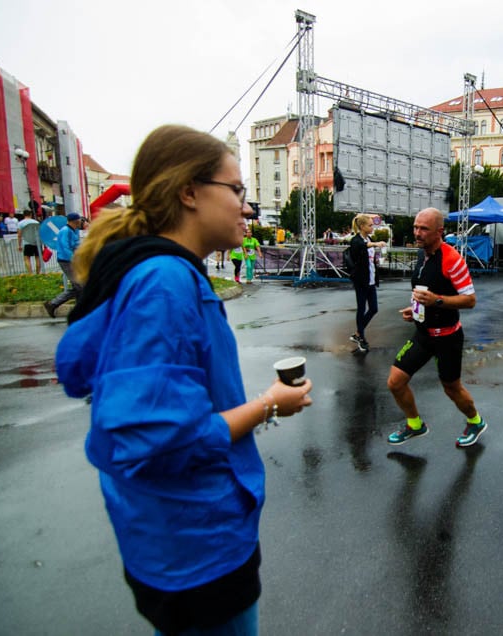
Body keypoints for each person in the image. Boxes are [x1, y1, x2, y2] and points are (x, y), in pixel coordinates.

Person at [54, 124, 313, 635]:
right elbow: (163, 438)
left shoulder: (154, 273)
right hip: (198, 546)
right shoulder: (165, 283)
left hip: (169, 539)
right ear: (189, 192)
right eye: (236, 189)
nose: (246, 206)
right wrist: (268, 405)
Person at [386, 207, 486, 449]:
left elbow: (470, 300)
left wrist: (437, 301)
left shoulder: (452, 260)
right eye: (415, 227)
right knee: (395, 382)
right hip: (423, 334)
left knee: (452, 388)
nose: (417, 233)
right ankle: (415, 425)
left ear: (439, 231)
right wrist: (416, 310)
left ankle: (475, 421)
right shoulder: (422, 254)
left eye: (424, 229)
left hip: (448, 338)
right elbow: (424, 291)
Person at [348, 213, 385, 353]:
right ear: (362, 226)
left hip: (370, 280)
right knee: (361, 308)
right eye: (370, 225)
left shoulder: (368, 238)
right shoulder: (356, 240)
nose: (372, 227)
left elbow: (369, 255)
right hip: (361, 281)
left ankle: (358, 334)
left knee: (374, 308)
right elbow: (361, 246)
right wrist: (376, 243)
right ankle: (361, 337)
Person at [43, 213, 85, 317]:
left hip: (72, 260)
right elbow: (65, 247)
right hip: (66, 261)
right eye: (79, 220)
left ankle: (54, 304)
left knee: (78, 286)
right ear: (75, 220)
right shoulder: (65, 231)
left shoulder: (73, 230)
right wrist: (73, 259)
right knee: (79, 285)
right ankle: (79, 309)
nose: (81, 221)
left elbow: (76, 244)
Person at [17, 210, 42, 274]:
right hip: (37, 242)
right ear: (31, 214)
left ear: (24, 215)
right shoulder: (36, 222)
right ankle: (38, 273)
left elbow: (19, 235)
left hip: (27, 242)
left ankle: (30, 274)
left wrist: (19, 245)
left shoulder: (20, 223)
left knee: (27, 258)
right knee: (38, 258)